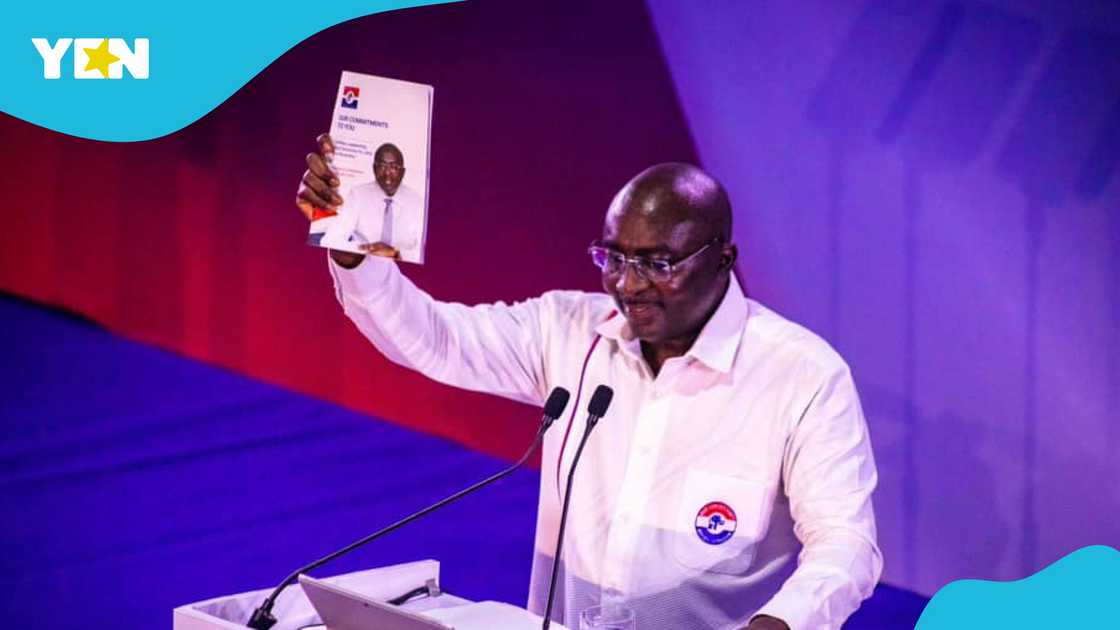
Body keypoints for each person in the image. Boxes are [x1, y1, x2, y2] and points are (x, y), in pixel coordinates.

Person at [297, 134, 882, 630]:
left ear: (723, 260)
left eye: (657, 264)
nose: (628, 285)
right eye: (614, 258)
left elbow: (845, 544)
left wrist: (779, 624)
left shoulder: (802, 376)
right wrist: (354, 253)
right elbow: (435, 340)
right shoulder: (568, 330)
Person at [316, 142, 425, 262]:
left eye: (394, 167)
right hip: (365, 264)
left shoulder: (418, 202)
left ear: (403, 172)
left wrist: (396, 253)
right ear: (374, 169)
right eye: (382, 166)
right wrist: (367, 250)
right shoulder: (358, 195)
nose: (387, 172)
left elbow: (424, 252)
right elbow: (329, 240)